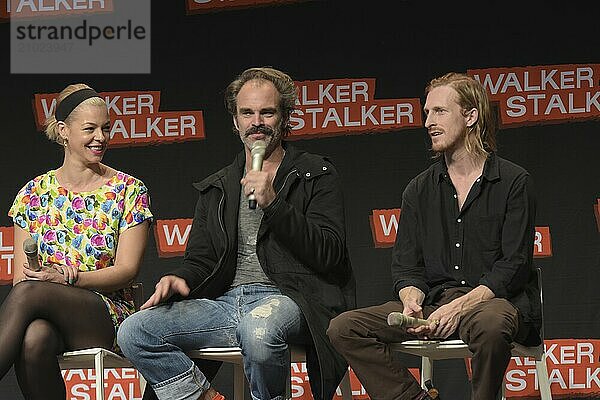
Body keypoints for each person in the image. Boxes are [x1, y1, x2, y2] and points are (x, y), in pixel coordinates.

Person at [117, 67, 355, 400]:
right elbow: (201, 259)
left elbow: (329, 253)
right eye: (247, 113)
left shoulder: (316, 174)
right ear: (235, 121)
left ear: (285, 118)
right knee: (135, 330)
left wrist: (274, 203)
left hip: (293, 301)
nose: (257, 121)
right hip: (226, 303)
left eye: (267, 112)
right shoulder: (218, 187)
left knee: (258, 331)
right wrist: (179, 277)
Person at [327, 72, 541, 400]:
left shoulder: (514, 182)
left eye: (439, 111)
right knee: (344, 328)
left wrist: (461, 307)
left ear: (470, 116)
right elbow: (407, 268)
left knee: (493, 326)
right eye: (426, 113)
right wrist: (411, 300)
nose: (428, 122)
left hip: (492, 304)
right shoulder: (418, 189)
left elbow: (513, 266)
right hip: (434, 307)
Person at [0, 84, 153, 399]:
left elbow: (127, 270)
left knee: (29, 293)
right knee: (33, 338)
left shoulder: (128, 190)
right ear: (63, 131)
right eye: (90, 129)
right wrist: (45, 282)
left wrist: (70, 278)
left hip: (107, 314)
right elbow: (20, 279)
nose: (101, 137)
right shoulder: (32, 194)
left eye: (106, 128)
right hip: (43, 308)